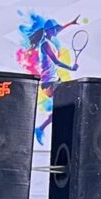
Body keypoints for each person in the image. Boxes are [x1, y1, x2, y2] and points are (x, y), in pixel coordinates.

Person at [16, 13, 80, 146]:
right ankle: (42, 129)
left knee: (63, 107)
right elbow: (56, 61)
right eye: (54, 29)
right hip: (49, 83)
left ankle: (41, 129)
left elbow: (59, 28)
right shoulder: (45, 44)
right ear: (48, 31)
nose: (56, 30)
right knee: (66, 105)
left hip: (54, 80)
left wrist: (71, 23)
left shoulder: (50, 38)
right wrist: (71, 68)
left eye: (56, 29)